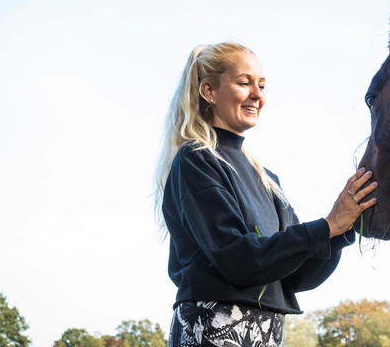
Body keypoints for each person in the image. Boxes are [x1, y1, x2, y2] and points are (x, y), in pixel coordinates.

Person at [154, 42, 378, 347]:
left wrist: (342, 230)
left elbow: (296, 276)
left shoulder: (268, 180)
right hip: (212, 327)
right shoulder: (196, 160)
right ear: (209, 91)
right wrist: (327, 225)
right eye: (244, 83)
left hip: (269, 332)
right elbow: (238, 259)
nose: (257, 95)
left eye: (261, 85)